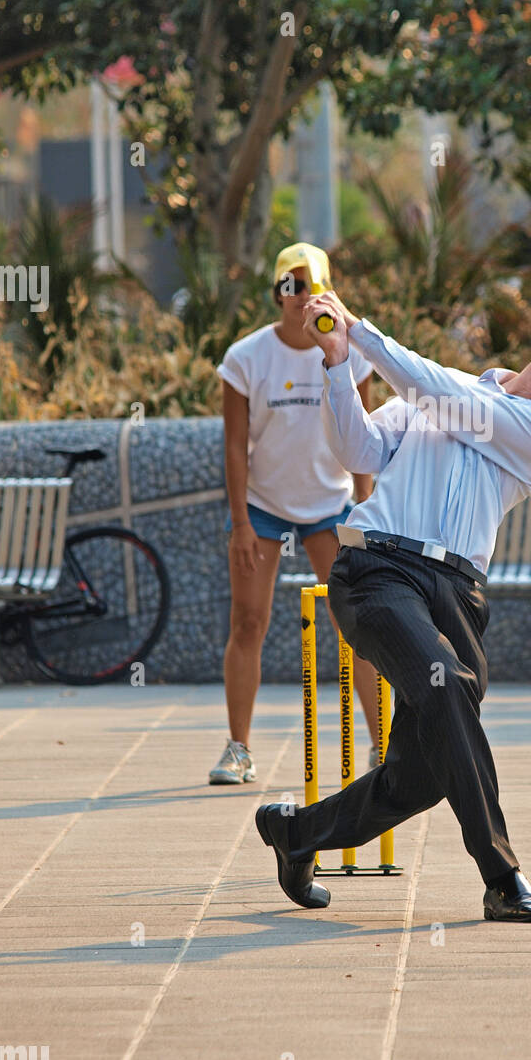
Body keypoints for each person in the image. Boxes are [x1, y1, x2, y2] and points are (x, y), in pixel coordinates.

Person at [255, 293, 531, 921]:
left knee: (422, 775)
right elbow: (360, 453)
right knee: (448, 685)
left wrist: (363, 332)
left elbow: (453, 406)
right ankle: (501, 876)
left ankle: (298, 833)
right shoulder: (435, 388)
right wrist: (340, 363)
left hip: (458, 594)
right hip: (378, 572)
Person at [210, 243, 383, 786]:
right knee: (248, 622)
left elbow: (365, 436)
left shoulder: (348, 350)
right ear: (276, 291)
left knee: (358, 626)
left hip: (330, 507)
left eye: (310, 286)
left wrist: (366, 511)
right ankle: (238, 749)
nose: (300, 297)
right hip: (262, 507)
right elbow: (235, 446)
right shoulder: (247, 357)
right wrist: (240, 523)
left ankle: (386, 746)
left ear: (328, 293)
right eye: (290, 285)